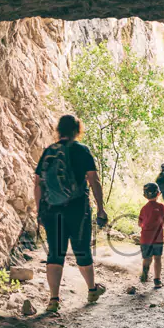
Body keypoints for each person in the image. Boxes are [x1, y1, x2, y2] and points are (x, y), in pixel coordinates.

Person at [34, 114, 108, 313]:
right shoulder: (82, 150)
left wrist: (39, 210)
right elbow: (93, 180)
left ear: (59, 130)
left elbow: (38, 183)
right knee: (82, 248)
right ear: (77, 130)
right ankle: (92, 290)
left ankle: (54, 300)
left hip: (51, 210)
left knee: (55, 253)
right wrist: (101, 208)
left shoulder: (49, 151)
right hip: (77, 208)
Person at [137, 182, 164, 288]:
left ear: (144, 195)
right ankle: (157, 280)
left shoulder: (143, 209)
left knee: (147, 258)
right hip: (158, 239)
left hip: (145, 239)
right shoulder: (161, 207)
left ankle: (144, 275)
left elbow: (140, 224)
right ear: (158, 193)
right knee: (157, 259)